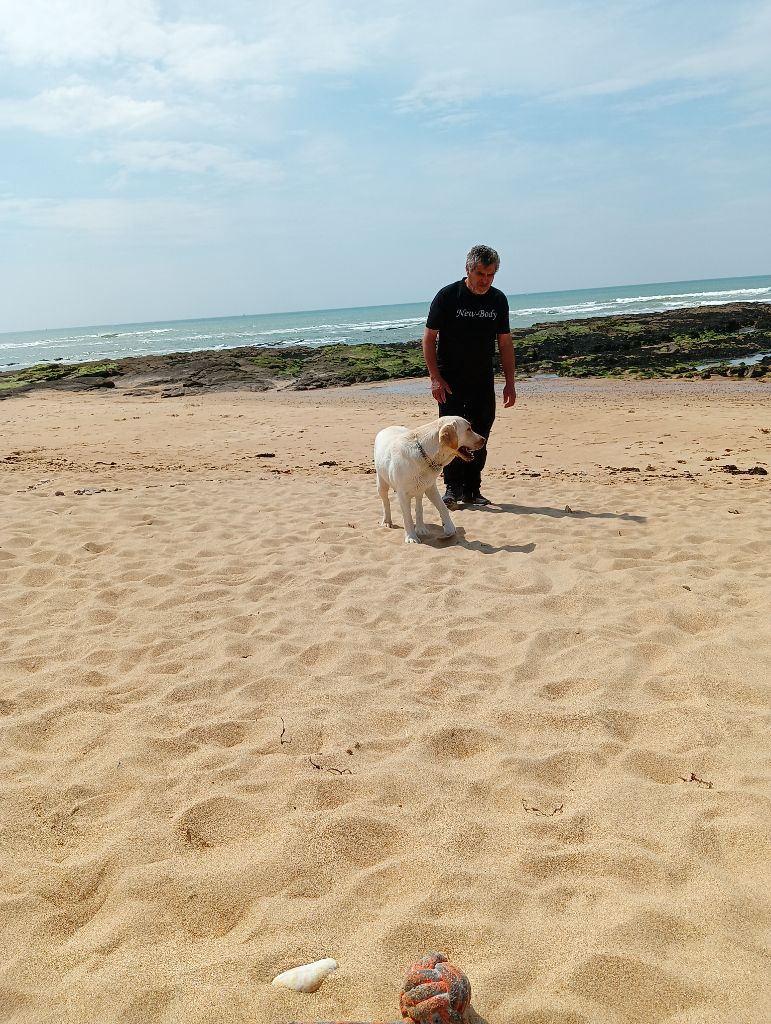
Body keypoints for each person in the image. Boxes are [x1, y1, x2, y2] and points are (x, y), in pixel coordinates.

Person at [422, 244, 516, 507]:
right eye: (480, 274)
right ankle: (452, 488)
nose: (485, 280)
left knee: (479, 436)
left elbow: (505, 343)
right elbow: (429, 338)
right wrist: (435, 377)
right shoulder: (448, 296)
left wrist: (510, 382)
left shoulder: (498, 300)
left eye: (490, 275)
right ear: (468, 270)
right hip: (450, 382)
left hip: (482, 381)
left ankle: (473, 490)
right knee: (451, 438)